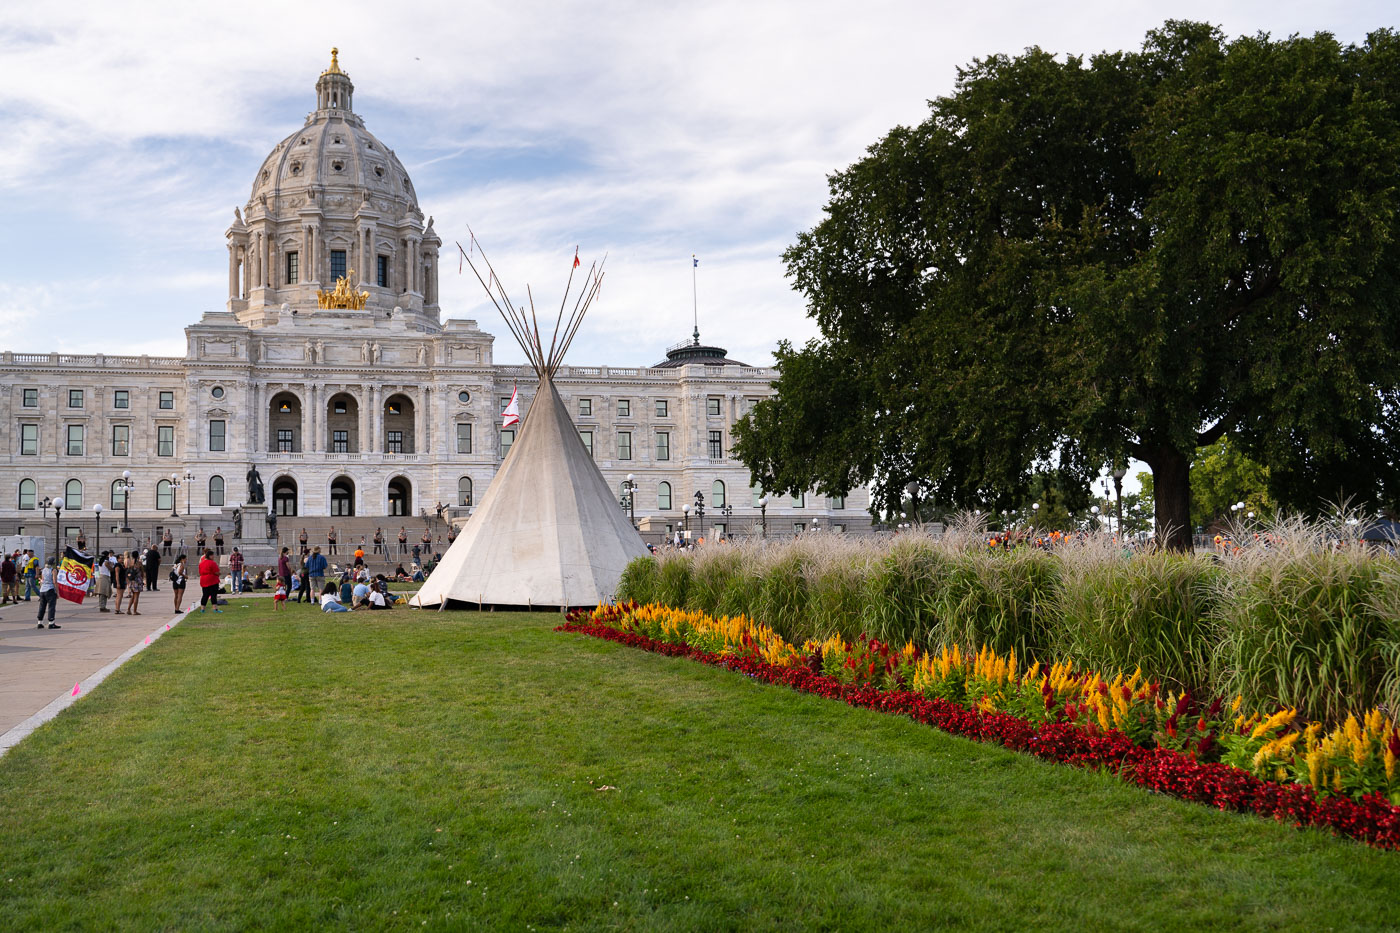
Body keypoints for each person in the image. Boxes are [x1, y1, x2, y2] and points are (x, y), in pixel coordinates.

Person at [36, 557, 59, 629]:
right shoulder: (53, 570)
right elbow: (55, 581)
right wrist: (57, 592)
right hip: (50, 589)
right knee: (51, 606)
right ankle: (51, 623)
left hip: (42, 590)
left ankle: (40, 622)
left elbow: (42, 580)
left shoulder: (43, 570)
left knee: (42, 606)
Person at [124, 551, 144, 615]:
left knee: (133, 596)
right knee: (136, 596)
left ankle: (128, 609)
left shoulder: (130, 563)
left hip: (131, 580)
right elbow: (142, 572)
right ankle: (135, 611)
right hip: (138, 580)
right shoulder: (139, 563)